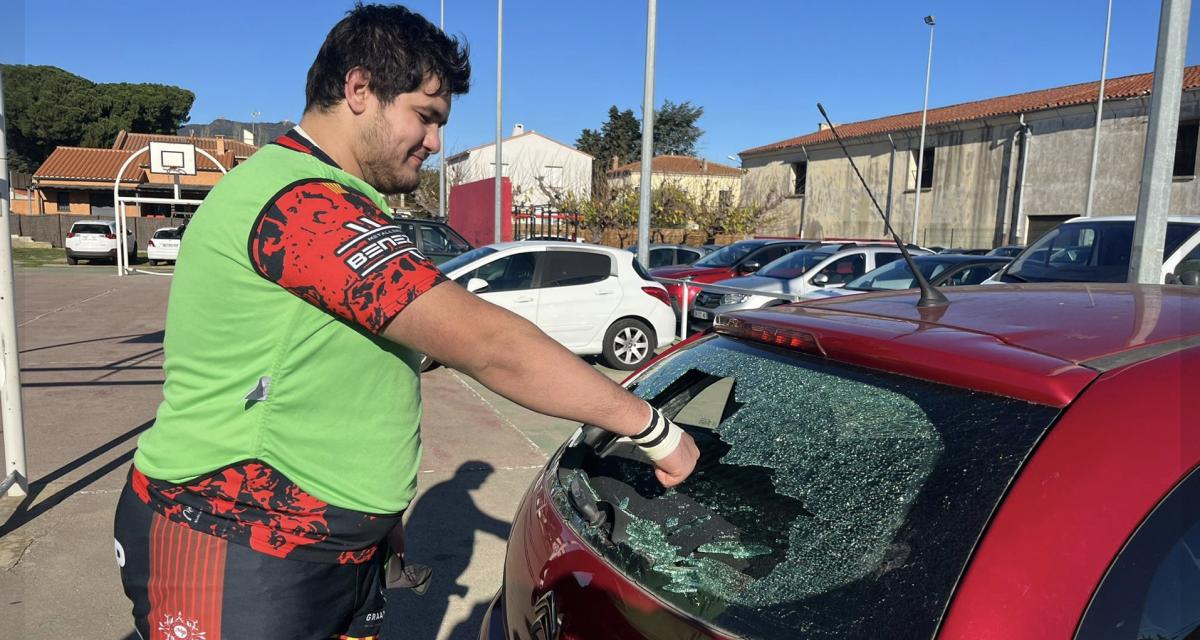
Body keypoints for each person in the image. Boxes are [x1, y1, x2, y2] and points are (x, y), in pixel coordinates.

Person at [112, 4, 699, 639]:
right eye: (425, 116)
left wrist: (377, 511)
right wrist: (655, 431)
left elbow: (337, 372)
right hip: (238, 541)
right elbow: (488, 344)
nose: (436, 143)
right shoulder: (299, 203)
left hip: (325, 548)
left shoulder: (335, 197)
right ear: (359, 89)